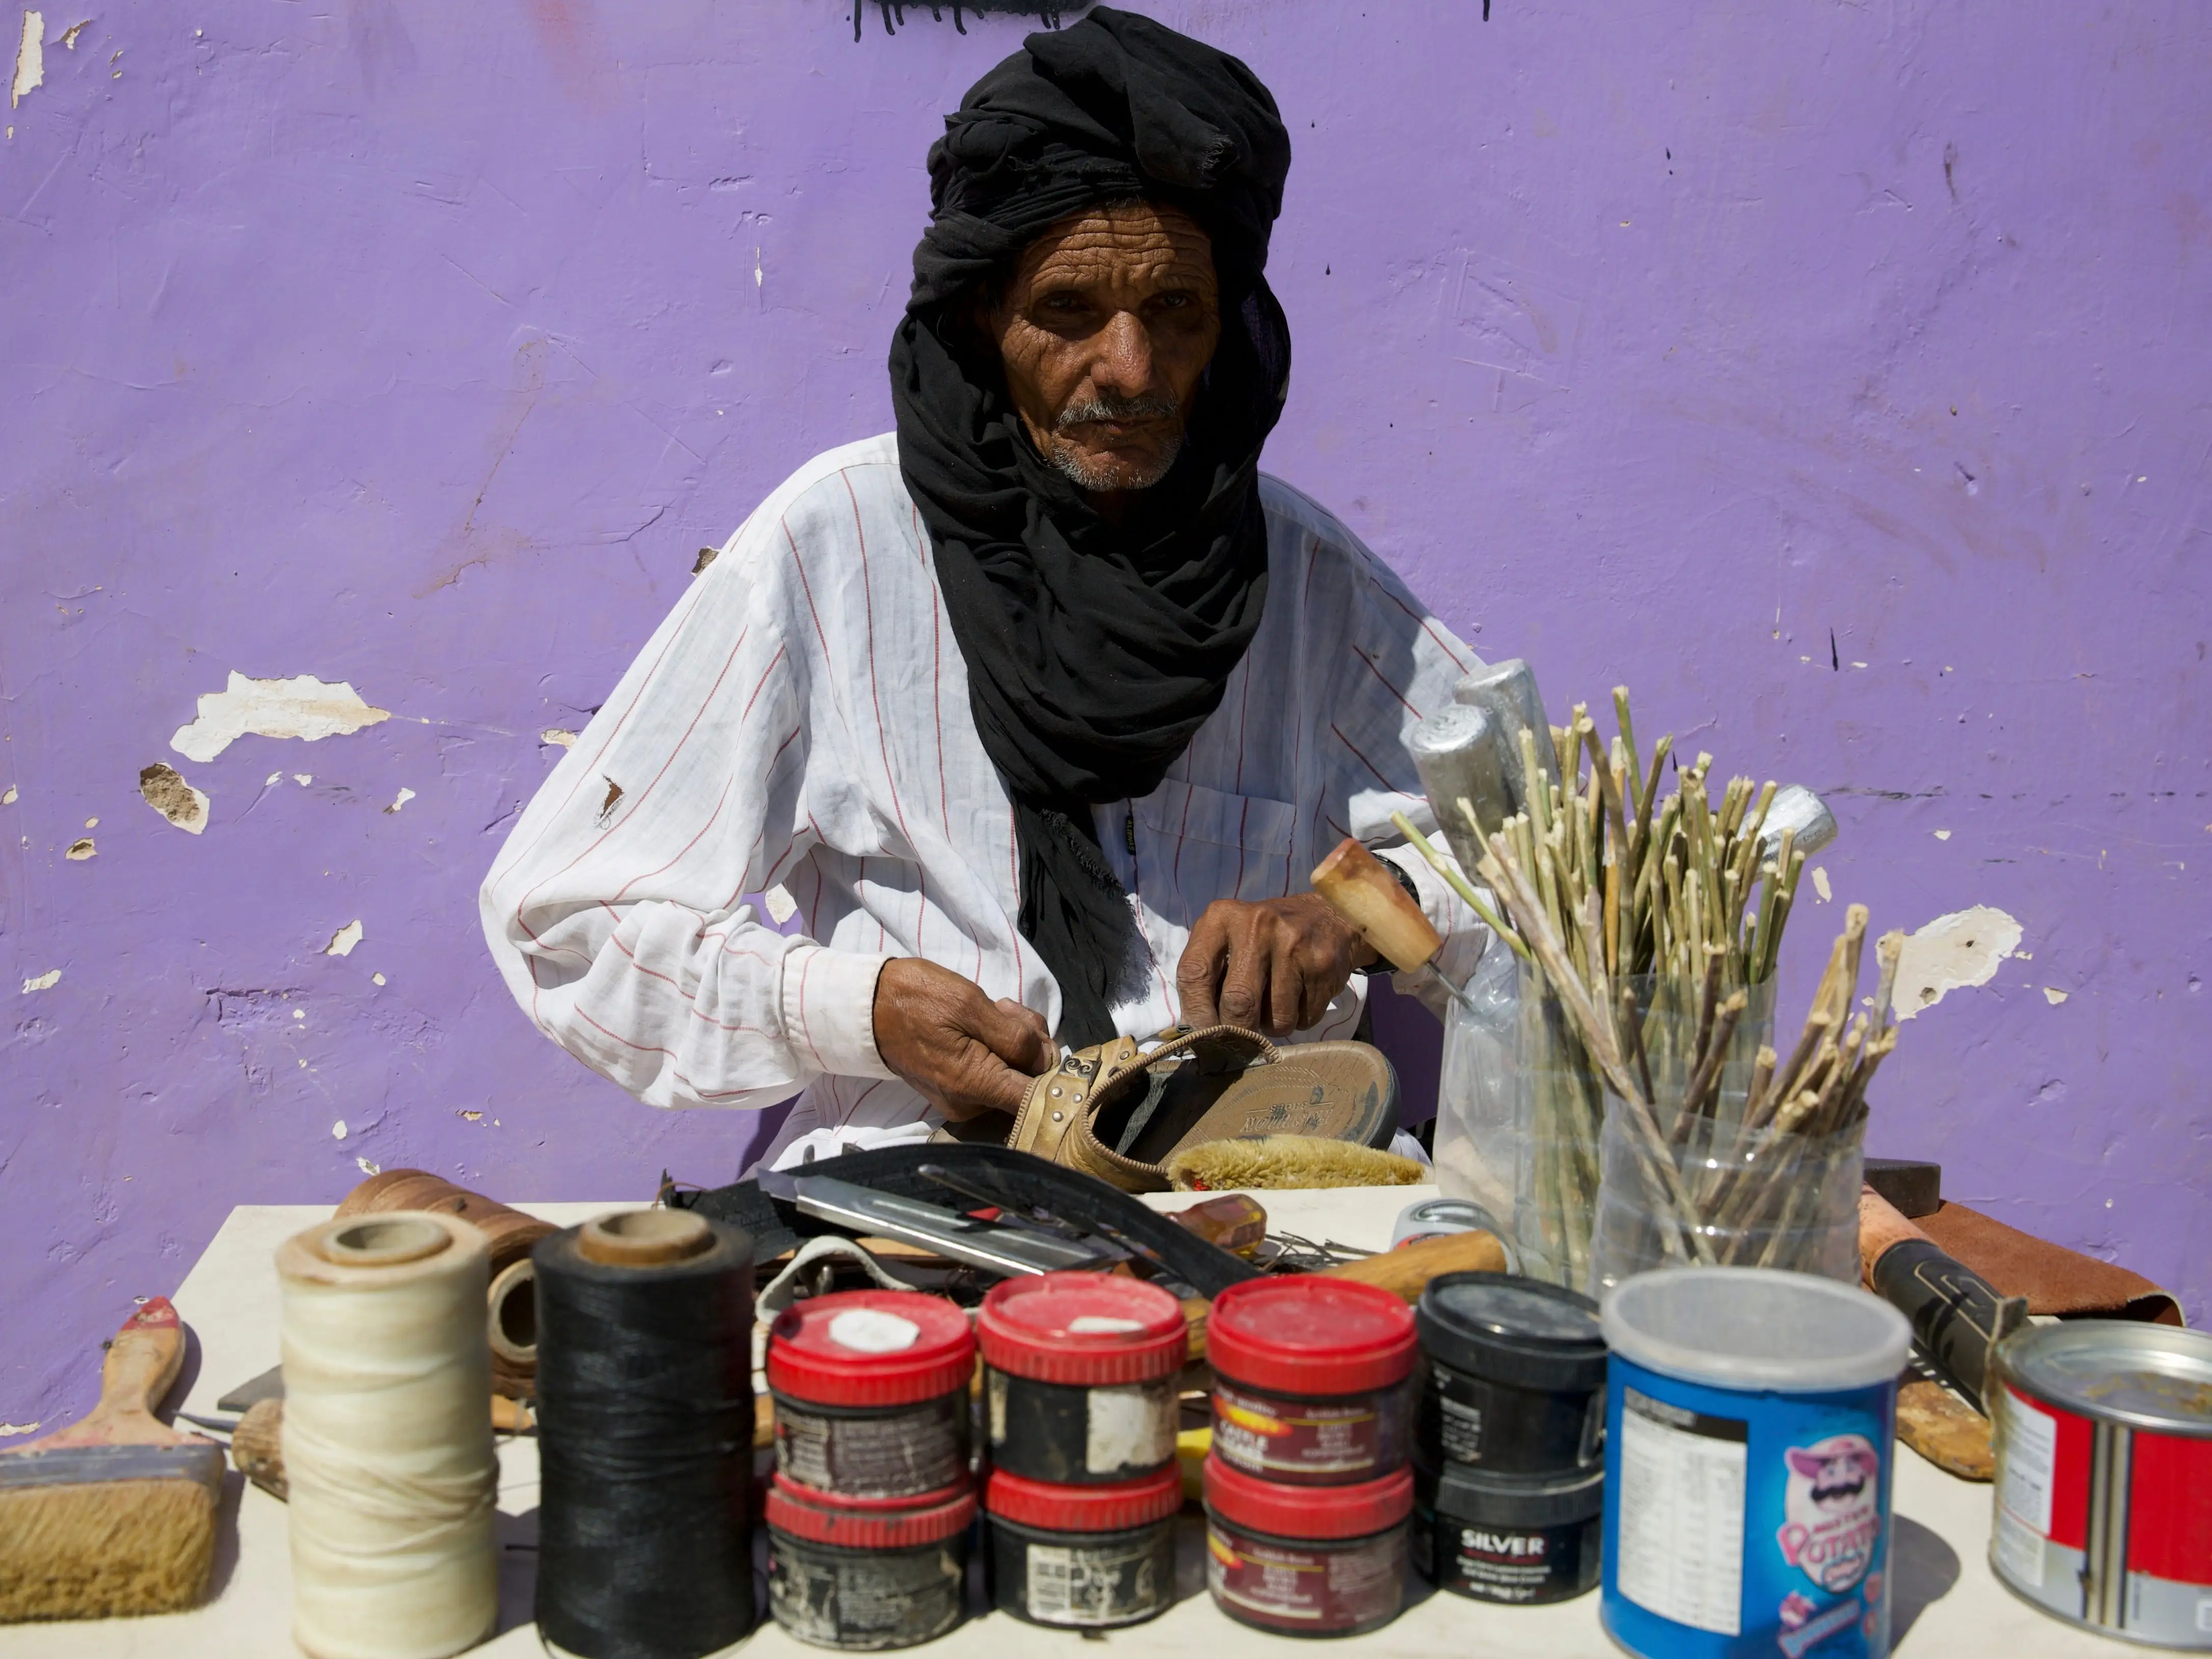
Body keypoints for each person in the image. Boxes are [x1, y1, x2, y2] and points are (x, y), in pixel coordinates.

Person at [481, 9, 1488, 1170]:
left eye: (1175, 312)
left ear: (1228, 323)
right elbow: (563, 919)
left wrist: (1355, 917)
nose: (1131, 368)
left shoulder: (1303, 582)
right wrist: (855, 1009)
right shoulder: (837, 547)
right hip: (918, 1200)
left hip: (1258, 1197)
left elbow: (1561, 864)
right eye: (1067, 311)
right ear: (982, 313)